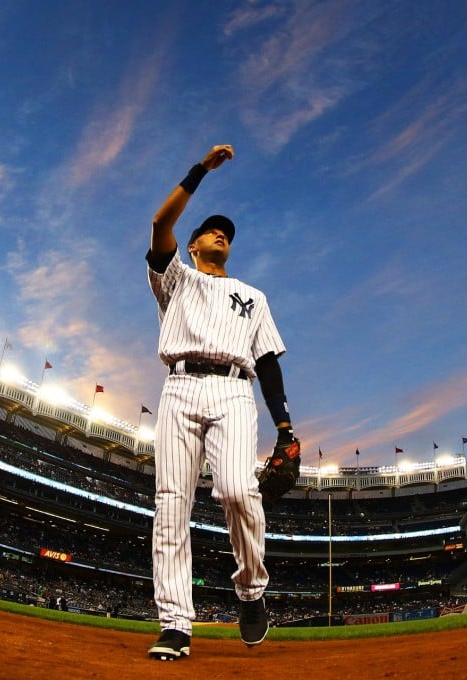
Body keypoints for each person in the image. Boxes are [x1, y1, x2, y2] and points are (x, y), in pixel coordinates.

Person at [145, 144, 298, 661]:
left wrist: (285, 428)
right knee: (171, 505)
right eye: (212, 230)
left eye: (228, 234)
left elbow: (270, 362)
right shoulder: (175, 278)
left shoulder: (254, 296)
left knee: (237, 491)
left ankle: (252, 592)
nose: (221, 235)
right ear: (191, 246)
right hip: (180, 386)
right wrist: (199, 172)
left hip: (235, 388)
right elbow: (159, 221)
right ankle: (175, 624)